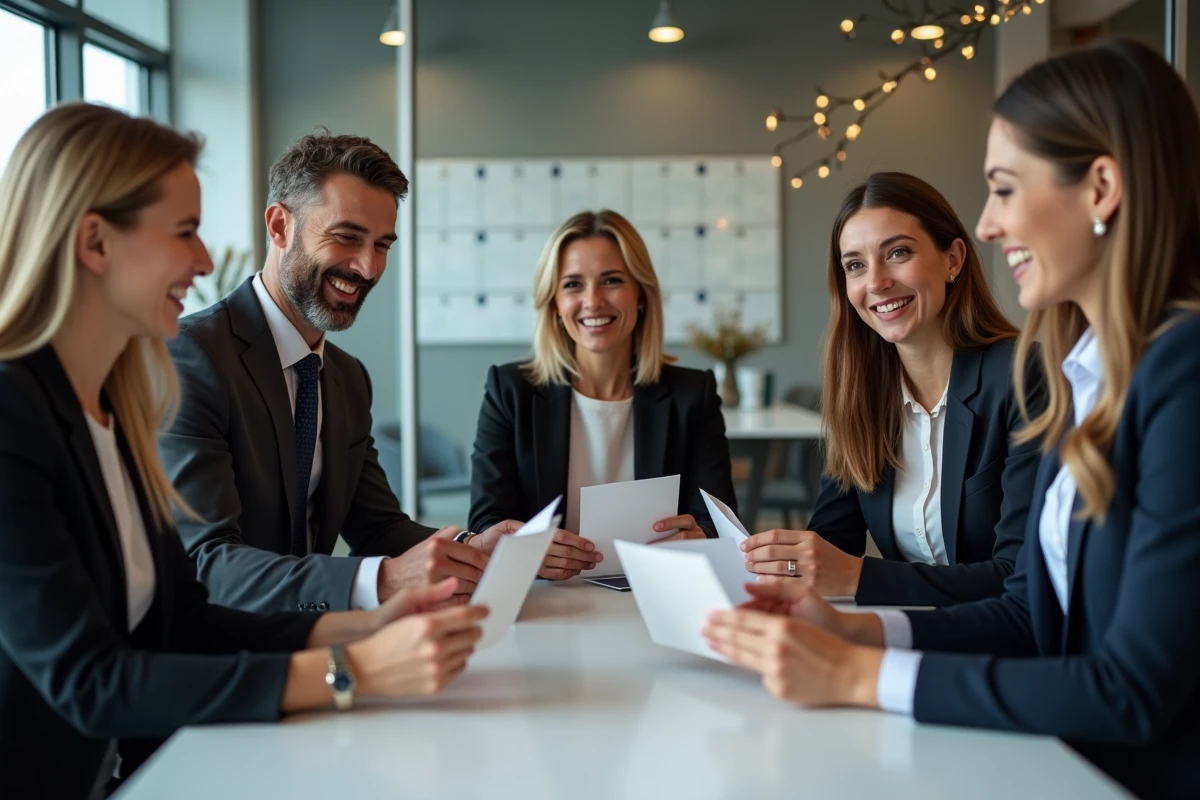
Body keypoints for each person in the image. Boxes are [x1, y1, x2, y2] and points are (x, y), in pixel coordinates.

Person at [703, 39, 1200, 799]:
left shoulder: (1179, 372)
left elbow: (1130, 691)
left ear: (1101, 187)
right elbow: (1031, 614)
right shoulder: (1088, 374)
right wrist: (850, 629)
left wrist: (858, 672)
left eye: (1004, 189)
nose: (990, 223)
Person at [0, 104, 487, 800]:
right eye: (185, 233)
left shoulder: (118, 404)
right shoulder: (15, 414)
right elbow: (91, 680)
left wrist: (366, 625)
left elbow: (182, 620)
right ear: (95, 243)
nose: (203, 261)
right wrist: (356, 669)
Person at [160, 131, 525, 614]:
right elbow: (207, 561)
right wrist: (385, 579)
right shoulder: (192, 357)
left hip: (313, 640)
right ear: (279, 226)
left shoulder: (346, 378)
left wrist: (471, 546)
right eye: (347, 237)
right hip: (223, 656)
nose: (368, 267)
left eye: (382, 245)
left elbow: (376, 527)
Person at [739, 172, 1044, 607]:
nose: (876, 282)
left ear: (953, 259)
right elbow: (830, 544)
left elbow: (1021, 577)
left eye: (898, 253)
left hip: (1004, 653)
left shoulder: (1022, 375)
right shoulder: (859, 395)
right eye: (855, 265)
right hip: (906, 634)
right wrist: (763, 561)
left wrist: (859, 576)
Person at [469, 210, 737, 580]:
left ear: (641, 295)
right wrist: (525, 550)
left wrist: (701, 536)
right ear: (555, 304)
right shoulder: (510, 390)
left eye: (611, 280)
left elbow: (717, 521)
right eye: (573, 285)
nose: (593, 301)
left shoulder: (693, 394)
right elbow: (488, 521)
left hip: (658, 592)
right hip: (544, 597)